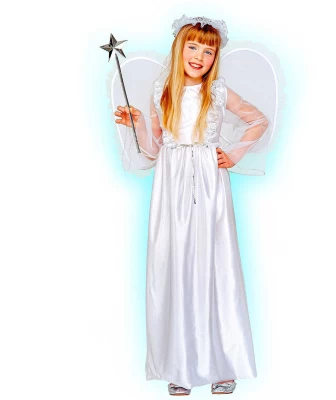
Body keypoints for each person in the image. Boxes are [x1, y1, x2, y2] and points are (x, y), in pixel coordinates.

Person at [113, 15, 271, 395]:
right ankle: (180, 364)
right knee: (176, 265)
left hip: (208, 182)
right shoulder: (162, 91)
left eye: (209, 50)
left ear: (216, 57)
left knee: (214, 264)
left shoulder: (217, 92)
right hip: (171, 185)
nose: (200, 56)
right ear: (180, 48)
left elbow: (258, 120)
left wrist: (234, 154)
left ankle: (223, 363)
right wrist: (138, 124)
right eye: (193, 47)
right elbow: (154, 150)